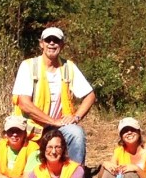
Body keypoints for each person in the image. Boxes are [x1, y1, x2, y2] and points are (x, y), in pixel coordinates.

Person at [12, 26, 96, 164]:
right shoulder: (28, 66)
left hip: (58, 128)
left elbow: (90, 95)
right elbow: (24, 103)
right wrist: (53, 121)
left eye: (56, 40)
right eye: (48, 40)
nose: (51, 43)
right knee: (30, 171)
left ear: (62, 45)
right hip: (30, 130)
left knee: (76, 133)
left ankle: (75, 177)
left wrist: (76, 117)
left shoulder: (69, 67)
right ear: (41, 44)